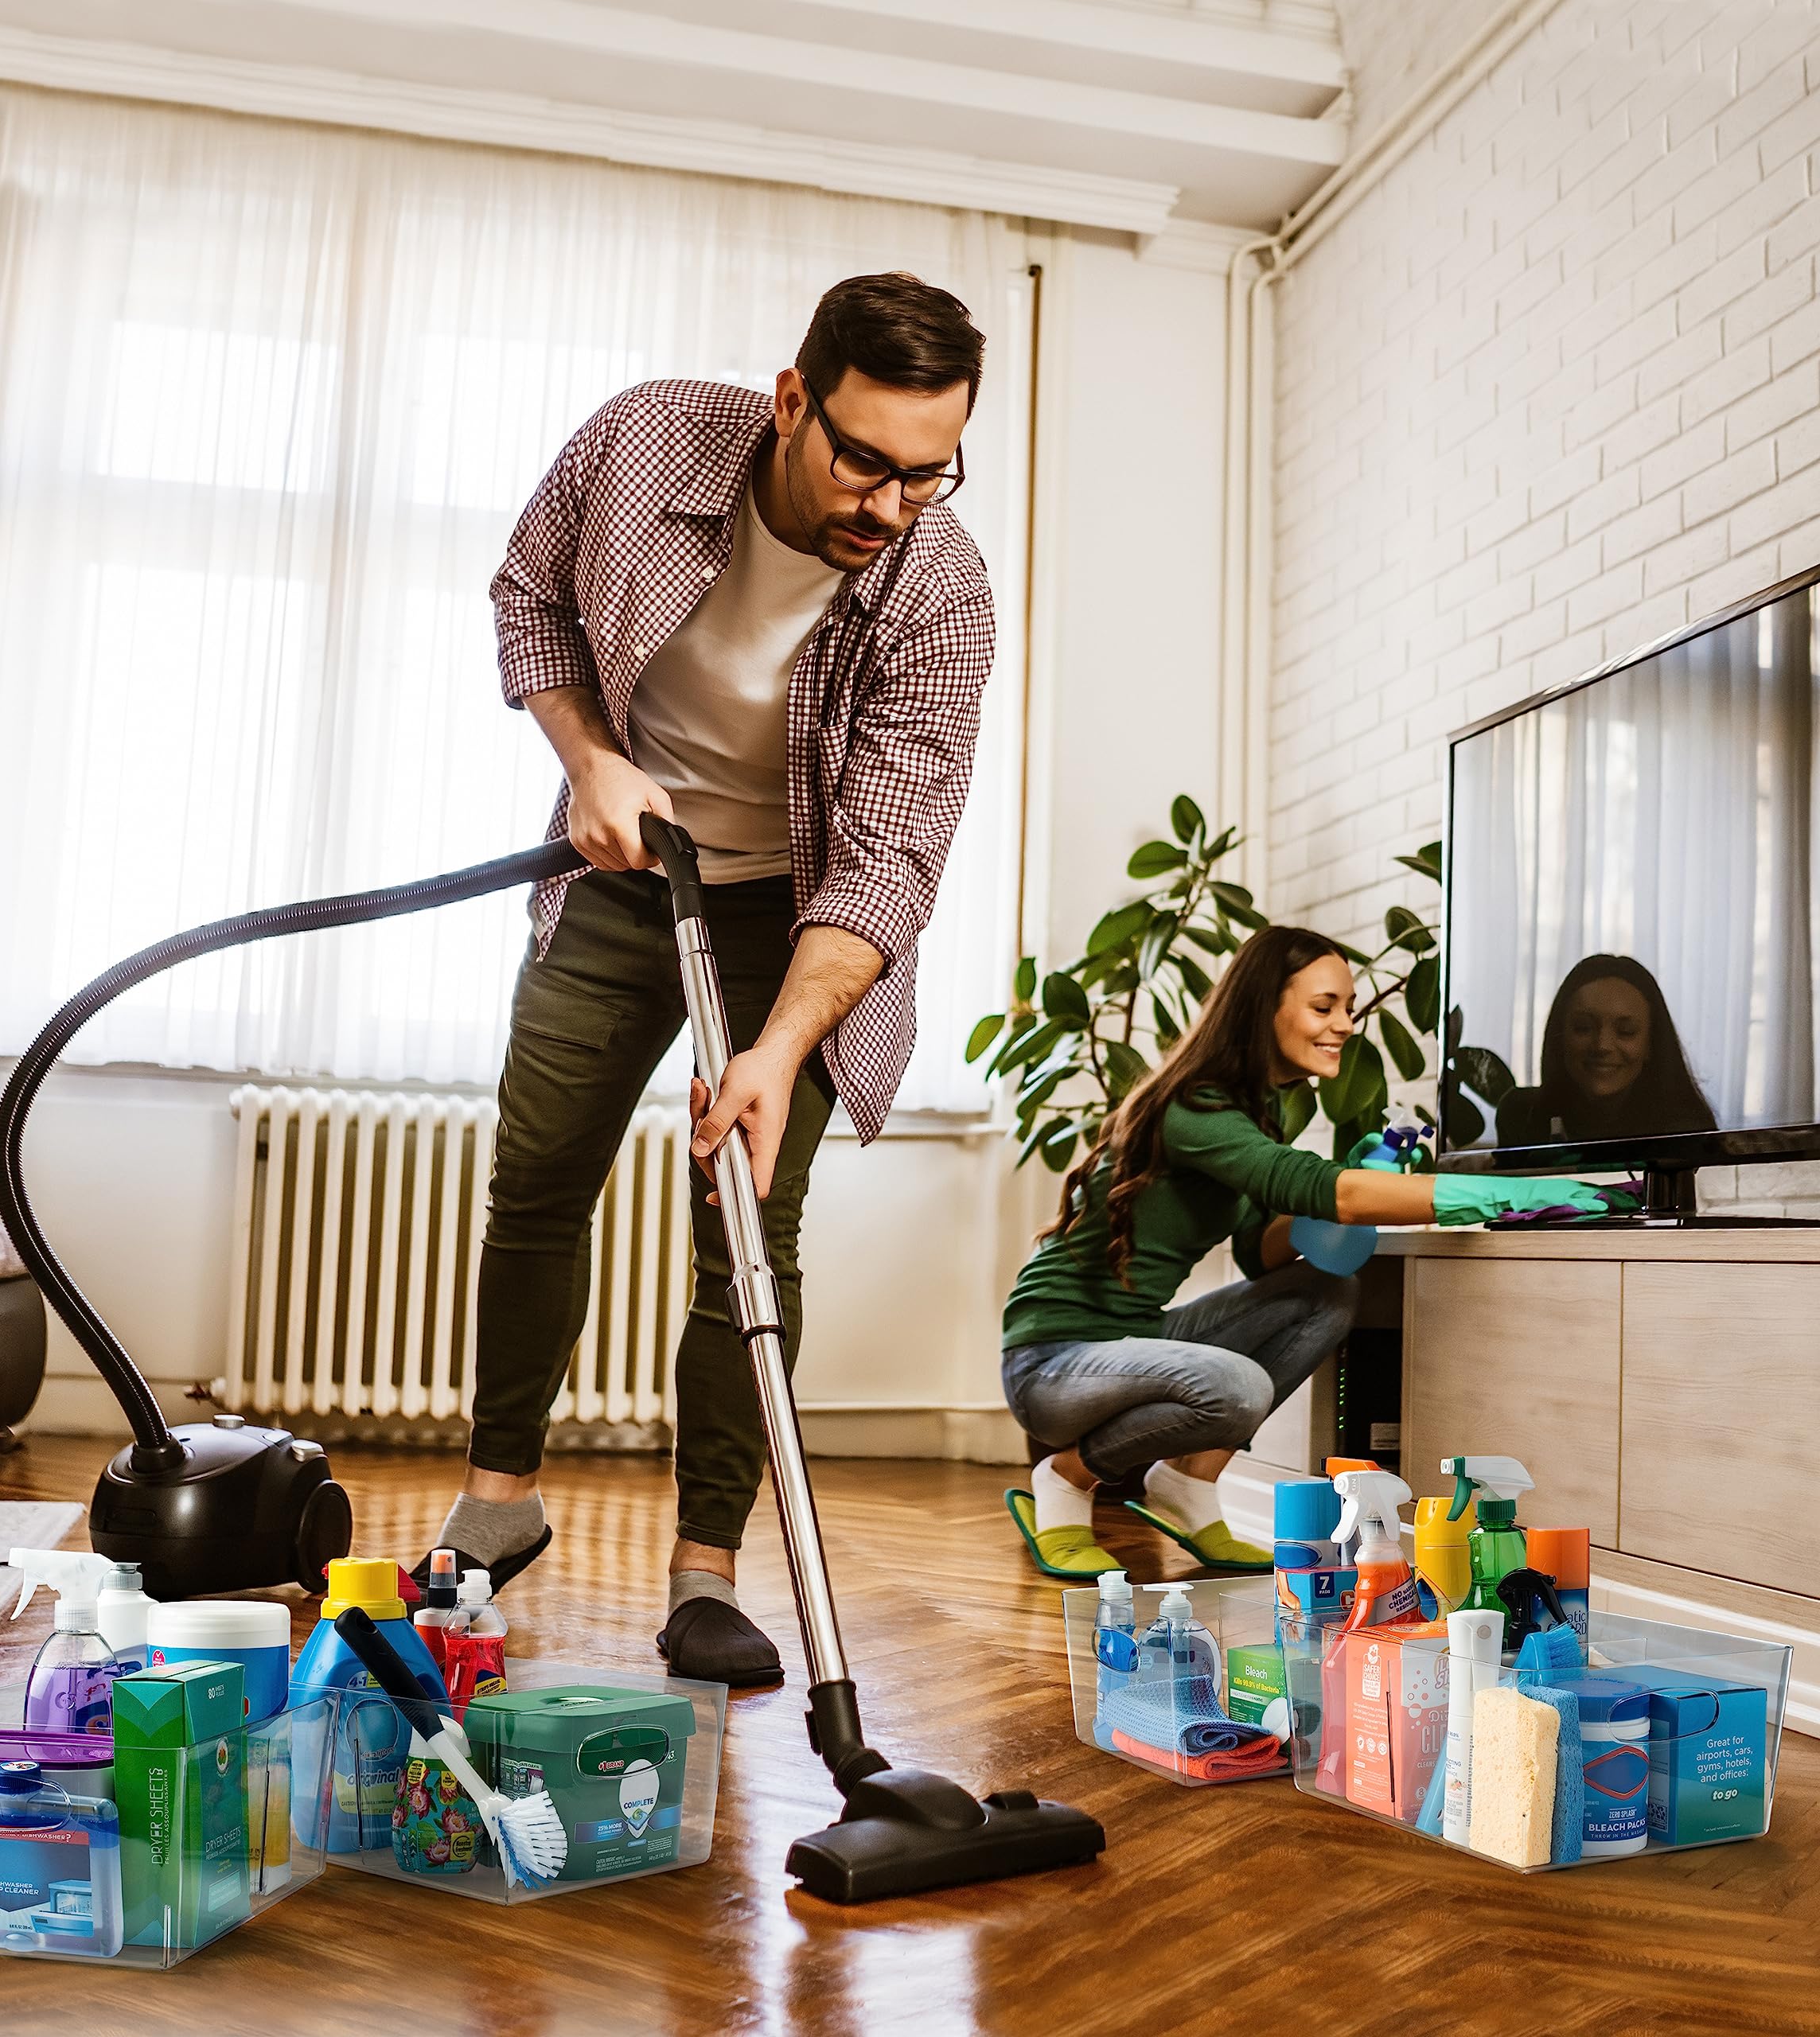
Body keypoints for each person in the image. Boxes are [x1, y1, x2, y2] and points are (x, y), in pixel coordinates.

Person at [419, 274, 996, 1687]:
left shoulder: (941, 590)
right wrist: (588, 759)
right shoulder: (648, 443)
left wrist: (783, 1045)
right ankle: (498, 1505)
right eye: (864, 460)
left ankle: (706, 1574)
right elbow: (531, 598)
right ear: (796, 402)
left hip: (795, 925)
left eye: (930, 473)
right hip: (621, 877)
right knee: (539, 1179)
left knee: (746, 1224)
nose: (889, 505)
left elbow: (890, 857)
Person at [1000, 925, 1631, 1579]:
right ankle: (1068, 1479)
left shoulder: (1265, 1108)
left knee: (1326, 1294)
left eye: (1349, 1009)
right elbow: (1335, 1195)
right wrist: (1511, 1197)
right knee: (1236, 1387)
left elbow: (1261, 1252)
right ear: (1264, 1006)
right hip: (1053, 1363)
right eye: (1324, 1006)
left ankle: (1189, 1483)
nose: (1345, 1026)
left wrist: (1322, 1201)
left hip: (1130, 1342)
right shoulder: (1196, 1107)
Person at [1496, 953, 1717, 1147]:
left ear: (1651, 1044)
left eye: (1626, 1031)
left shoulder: (1687, 1131)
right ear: (1560, 1037)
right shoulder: (1522, 1115)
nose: (1602, 1045)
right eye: (1583, 1028)